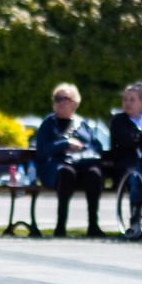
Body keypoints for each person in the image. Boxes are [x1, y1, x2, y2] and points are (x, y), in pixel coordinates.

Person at [33, 82, 106, 237]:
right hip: (57, 169)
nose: (60, 102)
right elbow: (42, 151)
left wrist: (82, 149)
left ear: (74, 103)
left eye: (64, 98)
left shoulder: (83, 125)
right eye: (57, 99)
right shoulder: (48, 124)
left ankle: (93, 226)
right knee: (67, 172)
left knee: (94, 173)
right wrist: (64, 143)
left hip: (81, 166)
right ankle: (60, 227)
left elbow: (96, 147)